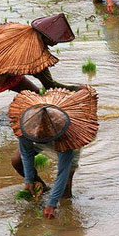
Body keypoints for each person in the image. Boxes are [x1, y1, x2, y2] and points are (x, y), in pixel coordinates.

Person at [0, 13, 80, 130]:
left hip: (9, 75)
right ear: (46, 37)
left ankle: (30, 122)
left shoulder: (17, 30)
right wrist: (77, 89)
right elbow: (49, 85)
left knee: (37, 98)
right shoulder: (34, 53)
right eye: (55, 40)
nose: (56, 43)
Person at [8, 87, 98, 219]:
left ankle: (68, 217)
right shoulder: (27, 123)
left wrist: (51, 204)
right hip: (38, 136)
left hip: (63, 136)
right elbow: (26, 152)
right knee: (17, 159)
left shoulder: (67, 135)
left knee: (65, 188)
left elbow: (63, 170)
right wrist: (29, 180)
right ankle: (42, 187)